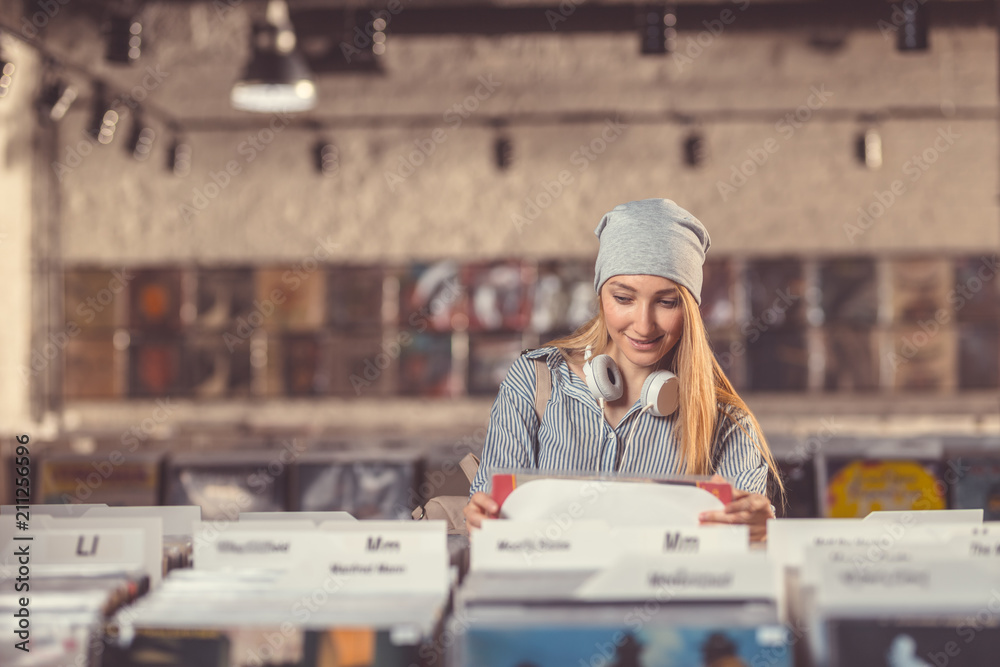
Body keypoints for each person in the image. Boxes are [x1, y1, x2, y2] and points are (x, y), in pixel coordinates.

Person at [464, 198, 783, 542]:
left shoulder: (728, 424)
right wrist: (482, 519)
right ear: (601, 296)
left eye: (666, 301)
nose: (643, 325)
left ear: (690, 309)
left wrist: (757, 532)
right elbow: (490, 528)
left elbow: (740, 558)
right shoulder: (534, 381)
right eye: (624, 298)